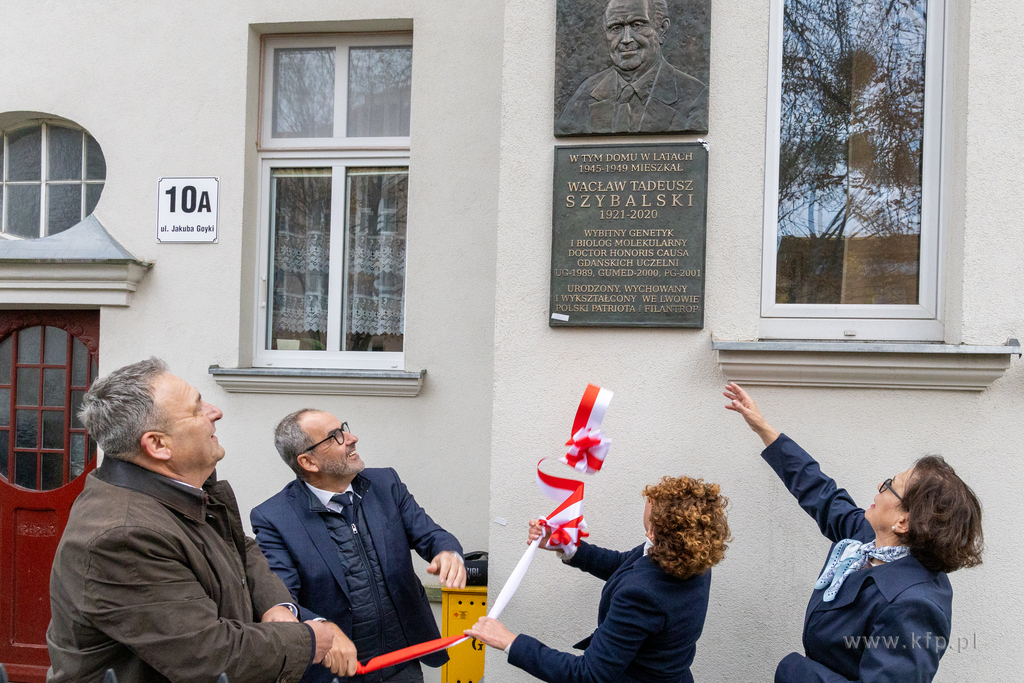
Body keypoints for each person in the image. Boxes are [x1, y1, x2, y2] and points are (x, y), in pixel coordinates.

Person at [47, 358, 341, 682]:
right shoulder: (122, 537)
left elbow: (240, 549)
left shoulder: (179, 491)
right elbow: (210, 655)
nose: (216, 412)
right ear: (158, 445)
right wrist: (310, 640)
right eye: (197, 409)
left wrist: (278, 606)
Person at [723, 382, 984, 682]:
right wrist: (763, 428)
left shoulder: (916, 606)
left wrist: (796, 672)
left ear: (903, 522)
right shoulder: (868, 543)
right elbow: (823, 494)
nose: (879, 486)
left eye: (890, 486)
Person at [251, 409, 466, 683]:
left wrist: (447, 552)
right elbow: (281, 598)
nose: (352, 438)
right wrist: (320, 627)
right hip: (334, 672)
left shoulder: (385, 483)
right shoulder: (274, 517)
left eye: (344, 428)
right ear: (308, 462)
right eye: (335, 437)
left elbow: (431, 534)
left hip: (401, 663)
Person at [467, 475, 729, 683]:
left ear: (652, 530)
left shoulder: (641, 595)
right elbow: (624, 564)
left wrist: (509, 642)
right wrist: (567, 547)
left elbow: (588, 674)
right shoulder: (692, 557)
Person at [555, 0, 708, 136]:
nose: (626, 39)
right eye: (616, 28)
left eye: (637, 25)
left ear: (662, 29)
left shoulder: (695, 96)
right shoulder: (585, 94)